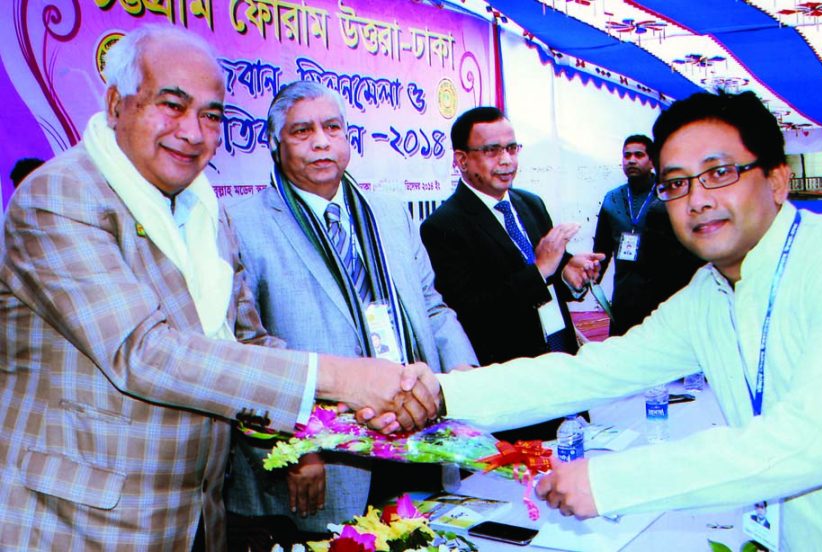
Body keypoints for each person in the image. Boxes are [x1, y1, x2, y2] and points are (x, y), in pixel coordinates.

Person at [424, 91, 822, 548]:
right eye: (677, 183)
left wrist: (610, 483)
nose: (697, 199)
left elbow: (806, 443)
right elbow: (592, 371)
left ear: (777, 178)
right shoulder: (710, 291)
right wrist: (440, 395)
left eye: (720, 172)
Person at [0, 25, 434, 551]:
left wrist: (362, 408)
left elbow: (246, 343)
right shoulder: (61, 196)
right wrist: (342, 378)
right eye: (172, 105)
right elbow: (145, 353)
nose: (193, 131)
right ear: (116, 105)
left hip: (195, 512)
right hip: (79, 521)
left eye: (210, 115)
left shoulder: (203, 210)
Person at [225, 81, 478, 539]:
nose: (322, 141)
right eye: (302, 131)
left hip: (416, 437)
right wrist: (296, 447)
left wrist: (462, 380)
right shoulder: (241, 223)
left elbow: (433, 307)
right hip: (328, 464)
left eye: (333, 127)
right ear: (274, 143)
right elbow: (244, 349)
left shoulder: (389, 212)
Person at [419, 106, 602, 441]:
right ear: (461, 159)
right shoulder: (444, 226)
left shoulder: (530, 204)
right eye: (491, 150)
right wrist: (541, 269)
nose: (506, 160)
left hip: (562, 363)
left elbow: (549, 273)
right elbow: (472, 313)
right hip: (513, 384)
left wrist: (567, 273)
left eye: (512, 148)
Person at [592, 135, 702, 335]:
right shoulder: (612, 199)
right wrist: (591, 278)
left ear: (652, 161)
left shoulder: (668, 196)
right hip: (624, 295)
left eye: (638, 155)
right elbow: (602, 249)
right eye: (627, 155)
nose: (631, 160)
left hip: (661, 296)